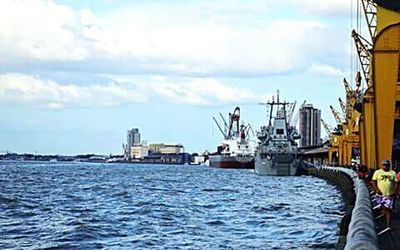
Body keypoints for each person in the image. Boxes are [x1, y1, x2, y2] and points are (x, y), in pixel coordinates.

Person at [372, 160, 398, 230]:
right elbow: (373, 181)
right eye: (384, 165)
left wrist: (394, 191)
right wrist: (376, 190)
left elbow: (396, 182)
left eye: (386, 165)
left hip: (389, 195)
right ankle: (379, 222)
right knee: (380, 208)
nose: (385, 166)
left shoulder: (393, 173)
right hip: (379, 195)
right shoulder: (377, 172)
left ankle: (388, 225)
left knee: (388, 210)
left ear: (389, 166)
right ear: (381, 165)